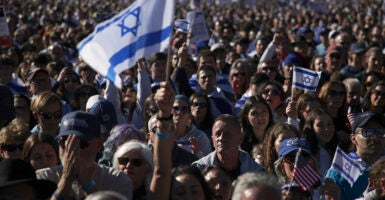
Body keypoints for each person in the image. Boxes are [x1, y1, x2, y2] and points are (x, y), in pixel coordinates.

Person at [36, 111, 133, 199]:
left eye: (81, 143)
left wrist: (87, 183)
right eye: (65, 141)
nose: (71, 149)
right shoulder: (43, 178)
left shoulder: (117, 180)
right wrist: (66, 179)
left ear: (99, 145)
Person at [325, 111, 385, 199]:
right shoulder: (338, 172)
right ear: (353, 139)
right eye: (367, 132)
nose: (375, 137)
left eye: (380, 132)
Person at [192, 114, 264, 180]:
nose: (221, 138)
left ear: (240, 139)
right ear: (213, 140)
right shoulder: (199, 170)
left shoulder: (257, 173)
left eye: (227, 134)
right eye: (218, 134)